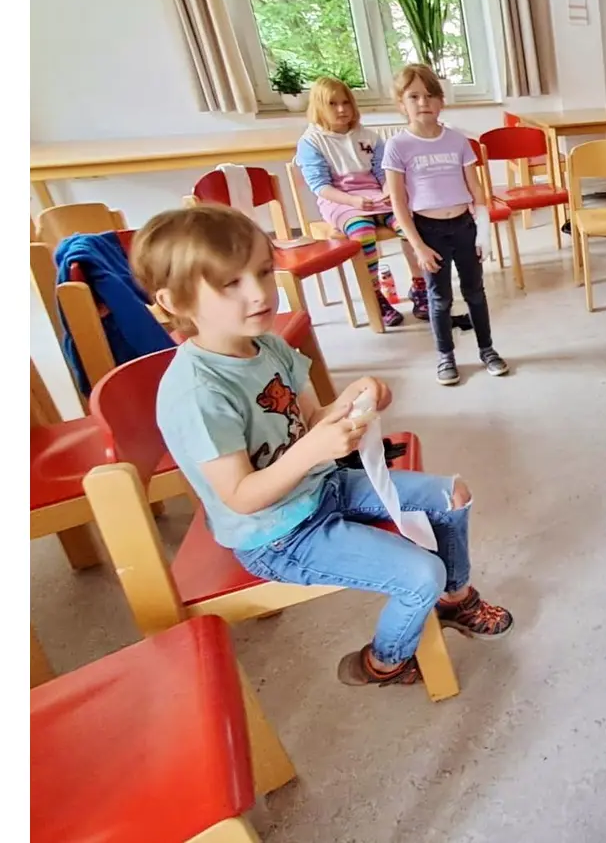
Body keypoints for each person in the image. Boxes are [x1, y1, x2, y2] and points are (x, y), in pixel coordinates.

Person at [136, 205, 514, 688]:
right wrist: (315, 448)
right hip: (275, 535)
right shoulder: (197, 392)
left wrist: (357, 399)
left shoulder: (266, 345)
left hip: (324, 486)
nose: (258, 294)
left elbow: (313, 419)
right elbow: (241, 496)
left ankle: (455, 600)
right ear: (175, 300)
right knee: (421, 575)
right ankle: (383, 663)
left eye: (262, 272)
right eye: (230, 284)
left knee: (452, 496)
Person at [382, 63, 508, 385]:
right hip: (429, 231)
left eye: (429, 95)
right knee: (440, 299)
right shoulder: (398, 147)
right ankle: (446, 356)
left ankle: (487, 349)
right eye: (413, 96)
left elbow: (476, 190)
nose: (422, 102)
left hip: (464, 227)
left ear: (441, 102)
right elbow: (398, 202)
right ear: (402, 104)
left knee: (475, 293)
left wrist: (483, 235)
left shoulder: (457, 141)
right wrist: (418, 246)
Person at [295, 76, 428, 328]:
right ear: (319, 107)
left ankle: (420, 286)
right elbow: (320, 186)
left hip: (376, 196)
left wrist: (389, 190)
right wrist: (352, 200)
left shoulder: (369, 136)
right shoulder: (311, 142)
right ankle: (375, 294)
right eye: (333, 104)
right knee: (363, 233)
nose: (342, 109)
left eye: (346, 102)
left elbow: (384, 172)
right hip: (340, 201)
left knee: (411, 226)